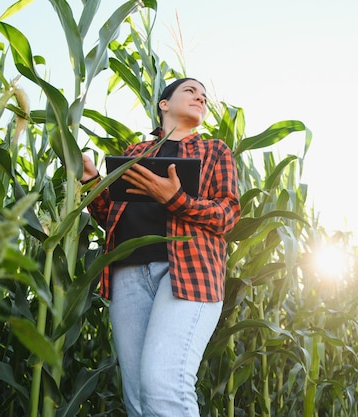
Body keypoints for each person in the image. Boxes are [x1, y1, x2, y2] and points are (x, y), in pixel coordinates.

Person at [81, 78, 241, 417]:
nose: (200, 97)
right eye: (190, 91)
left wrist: (176, 199)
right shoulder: (135, 153)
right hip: (127, 274)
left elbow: (228, 215)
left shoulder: (214, 151)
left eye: (204, 95)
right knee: (138, 397)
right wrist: (91, 181)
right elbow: (110, 215)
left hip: (188, 272)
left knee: (163, 385)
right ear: (164, 104)